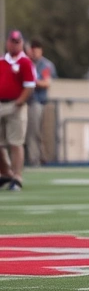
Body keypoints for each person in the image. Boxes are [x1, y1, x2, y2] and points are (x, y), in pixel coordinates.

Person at [0, 30, 36, 190]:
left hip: (15, 105)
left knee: (15, 143)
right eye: (12, 41)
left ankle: (17, 176)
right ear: (7, 42)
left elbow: (29, 86)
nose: (14, 44)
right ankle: (6, 172)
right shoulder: (2, 61)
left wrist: (19, 103)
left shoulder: (25, 62)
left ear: (21, 43)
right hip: (1, 104)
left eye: (17, 41)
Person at [26, 39, 55, 167]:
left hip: (38, 101)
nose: (34, 53)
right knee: (31, 132)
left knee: (35, 132)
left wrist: (31, 82)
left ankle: (35, 159)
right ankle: (35, 157)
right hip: (25, 101)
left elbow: (46, 83)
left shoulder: (45, 65)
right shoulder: (26, 62)